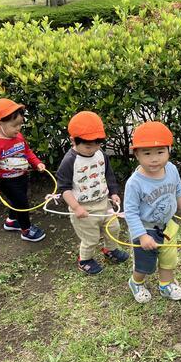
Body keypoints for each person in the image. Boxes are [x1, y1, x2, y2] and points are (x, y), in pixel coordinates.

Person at [124, 121, 181, 303]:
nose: (154, 159)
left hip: (168, 226)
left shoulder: (171, 169)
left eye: (160, 152)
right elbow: (131, 213)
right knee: (145, 265)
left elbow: (179, 191)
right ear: (136, 154)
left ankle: (165, 285)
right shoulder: (135, 183)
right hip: (145, 229)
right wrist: (141, 236)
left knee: (168, 259)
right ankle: (136, 282)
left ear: (169, 150)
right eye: (147, 153)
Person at [57, 111, 129, 275]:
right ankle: (85, 260)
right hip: (84, 208)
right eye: (88, 146)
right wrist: (76, 207)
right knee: (90, 238)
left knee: (113, 227)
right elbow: (64, 188)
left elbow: (108, 174)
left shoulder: (100, 155)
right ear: (73, 141)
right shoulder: (70, 161)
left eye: (97, 145)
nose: (93, 149)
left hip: (104, 202)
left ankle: (110, 250)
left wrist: (114, 192)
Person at [0, 98, 46, 242]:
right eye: (14, 126)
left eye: (20, 125)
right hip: (7, 181)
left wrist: (37, 163)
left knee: (17, 200)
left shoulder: (18, 137)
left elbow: (27, 151)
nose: (18, 129)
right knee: (22, 202)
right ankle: (26, 229)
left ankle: (12, 221)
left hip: (22, 177)